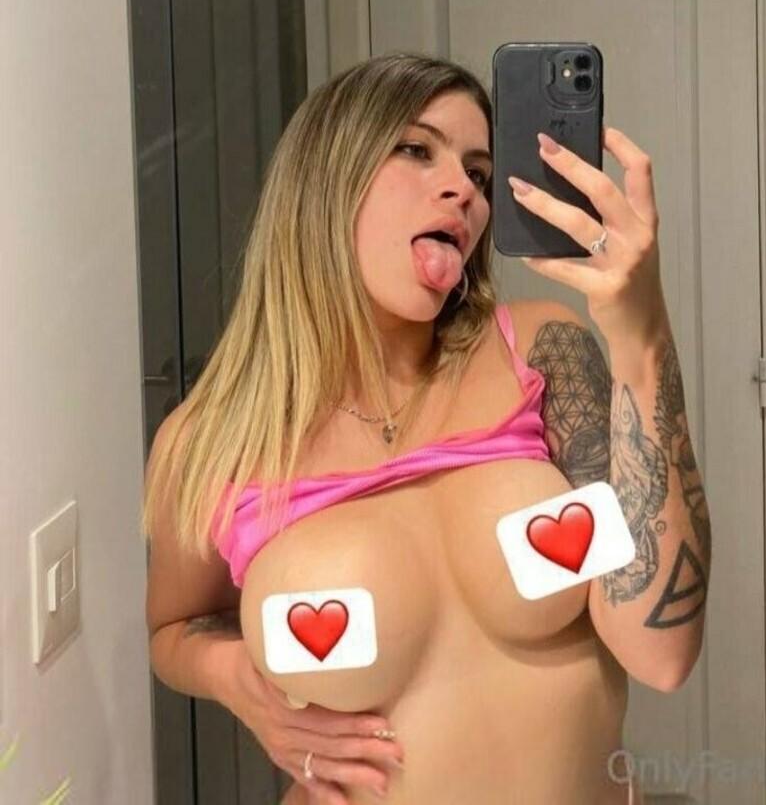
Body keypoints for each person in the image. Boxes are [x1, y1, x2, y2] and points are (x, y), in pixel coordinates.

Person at [142, 53, 653, 803]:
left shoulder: (539, 354)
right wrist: (238, 680)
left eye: (478, 173)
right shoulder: (209, 441)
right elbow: (173, 628)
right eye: (416, 149)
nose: (464, 190)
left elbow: (660, 640)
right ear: (324, 181)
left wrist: (643, 327)